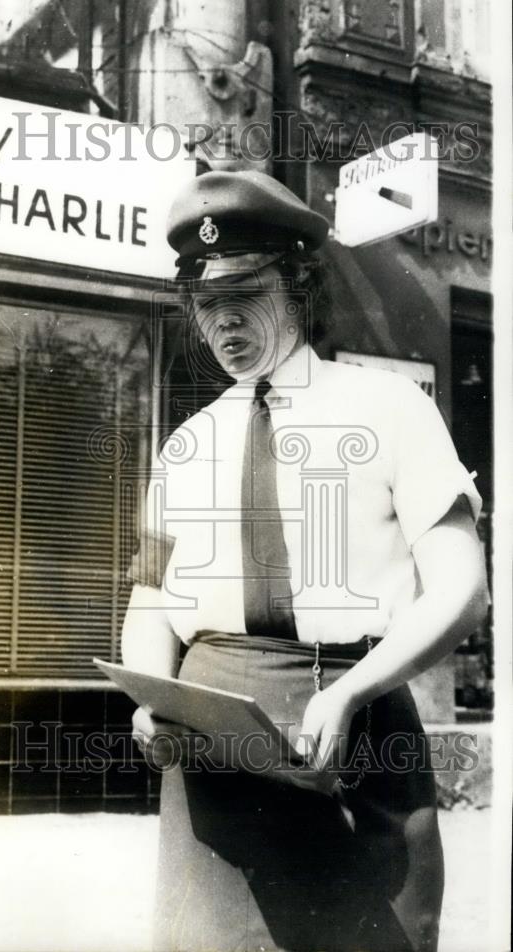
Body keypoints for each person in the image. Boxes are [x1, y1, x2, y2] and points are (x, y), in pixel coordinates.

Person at [120, 168, 488, 952]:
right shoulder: (184, 447)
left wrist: (352, 692)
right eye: (206, 303)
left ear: (297, 285)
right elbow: (149, 599)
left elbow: (462, 592)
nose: (223, 322)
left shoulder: (391, 409)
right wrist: (152, 702)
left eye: (244, 294)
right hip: (214, 766)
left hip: (355, 734)